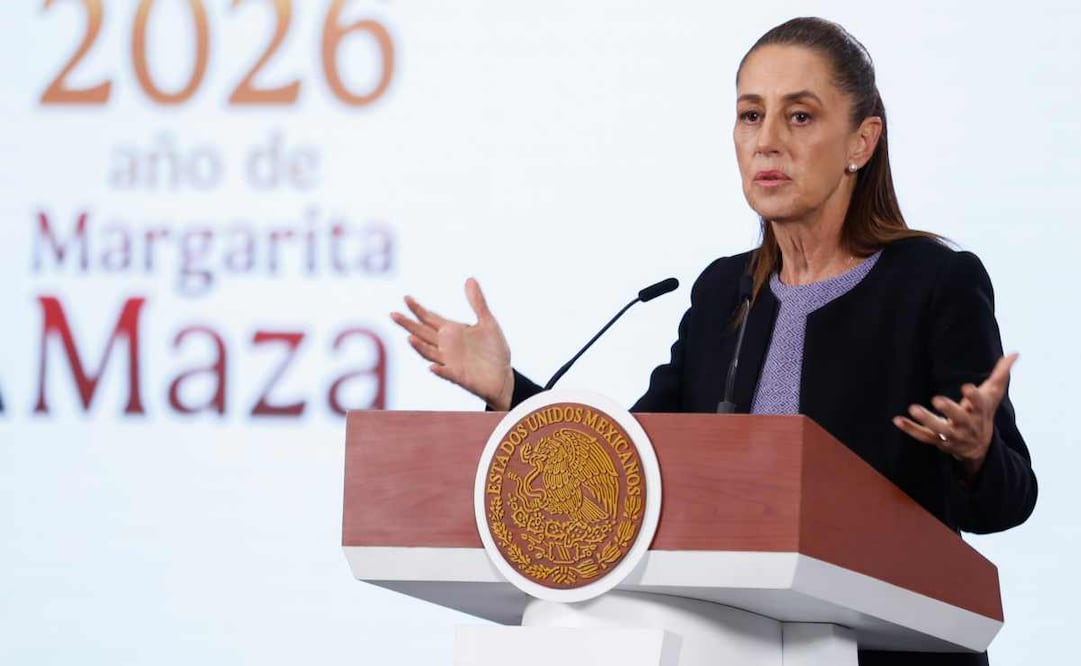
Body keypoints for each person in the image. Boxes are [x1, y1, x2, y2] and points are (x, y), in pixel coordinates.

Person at [390, 17, 1037, 666]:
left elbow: (1009, 500)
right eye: (750, 115)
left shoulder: (932, 284)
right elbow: (632, 465)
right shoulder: (723, 292)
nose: (767, 142)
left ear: (860, 142)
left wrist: (975, 453)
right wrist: (510, 392)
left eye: (800, 117)